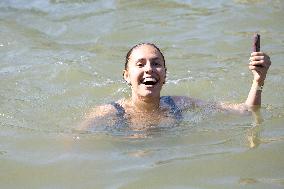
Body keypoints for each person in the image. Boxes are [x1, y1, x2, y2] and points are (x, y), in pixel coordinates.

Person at [79, 43, 271, 131]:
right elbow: (73, 140)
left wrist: (258, 79)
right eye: (140, 64)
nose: (149, 69)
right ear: (126, 76)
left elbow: (247, 111)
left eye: (156, 63)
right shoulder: (110, 112)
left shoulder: (178, 105)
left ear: (165, 75)